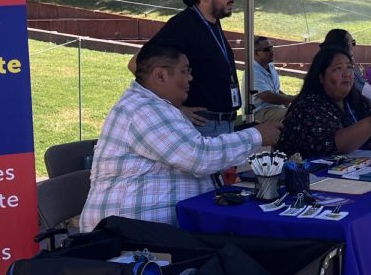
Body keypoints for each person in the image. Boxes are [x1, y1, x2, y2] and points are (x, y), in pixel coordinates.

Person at [81, 41, 281, 230]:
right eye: (185, 71)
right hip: (130, 235)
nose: (190, 79)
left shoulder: (158, 107)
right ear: (160, 76)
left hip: (154, 229)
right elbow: (198, 156)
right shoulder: (142, 110)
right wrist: (256, 135)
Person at [135, 0, 241, 136]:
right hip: (203, 127)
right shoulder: (183, 24)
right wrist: (177, 108)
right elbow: (138, 65)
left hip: (225, 124)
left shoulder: (213, 23)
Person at [277, 46, 371, 159]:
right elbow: (335, 145)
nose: (346, 74)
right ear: (321, 77)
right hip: (312, 173)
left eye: (349, 67)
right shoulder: (309, 106)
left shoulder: (356, 98)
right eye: (338, 68)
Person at [251, 36, 294, 124]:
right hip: (259, 112)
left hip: (274, 108)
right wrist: (292, 99)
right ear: (256, 53)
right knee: (294, 114)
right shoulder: (252, 71)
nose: (271, 51)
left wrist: (291, 102)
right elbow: (268, 97)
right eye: (267, 49)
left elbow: (276, 91)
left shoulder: (270, 66)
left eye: (271, 47)